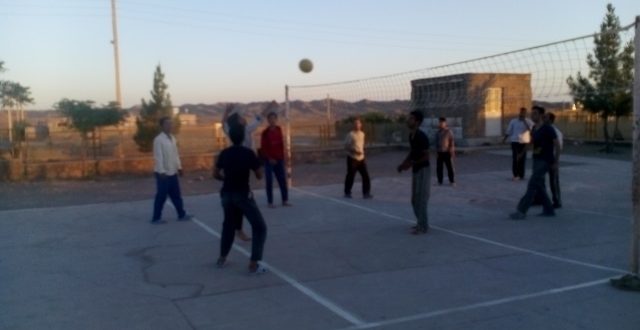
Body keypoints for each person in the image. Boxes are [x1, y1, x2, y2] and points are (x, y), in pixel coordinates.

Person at [214, 123, 268, 274]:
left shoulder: (224, 153)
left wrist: (225, 179)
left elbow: (215, 173)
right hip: (242, 195)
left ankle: (222, 259)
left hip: (226, 194)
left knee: (228, 226)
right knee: (259, 227)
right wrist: (260, 165)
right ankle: (254, 263)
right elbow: (259, 175)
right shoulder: (248, 153)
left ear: (230, 137)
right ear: (243, 137)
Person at [221, 103, 268, 241]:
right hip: (238, 165)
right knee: (240, 198)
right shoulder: (238, 130)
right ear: (237, 122)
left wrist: (269, 107)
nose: (244, 118)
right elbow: (223, 122)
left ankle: (237, 229)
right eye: (241, 118)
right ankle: (238, 229)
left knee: (237, 196)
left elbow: (259, 118)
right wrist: (226, 110)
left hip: (240, 165)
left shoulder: (243, 130)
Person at [510, 106, 560, 220]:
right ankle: (549, 209)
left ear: (541, 115)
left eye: (535, 114)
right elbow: (530, 142)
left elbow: (557, 144)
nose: (533, 116)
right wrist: (521, 154)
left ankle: (521, 211)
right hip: (536, 159)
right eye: (532, 114)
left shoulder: (547, 128)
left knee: (532, 184)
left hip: (545, 160)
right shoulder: (534, 128)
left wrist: (556, 162)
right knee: (539, 186)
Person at [151, 117, 193, 224]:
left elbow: (175, 155)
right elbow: (158, 157)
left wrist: (179, 167)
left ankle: (181, 214)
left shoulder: (173, 138)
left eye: (171, 124)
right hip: (163, 174)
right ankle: (156, 218)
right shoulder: (158, 140)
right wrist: (161, 171)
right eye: (167, 124)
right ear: (162, 126)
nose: (170, 126)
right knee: (161, 196)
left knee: (176, 195)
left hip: (173, 172)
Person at [397, 110, 431, 234]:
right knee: (414, 200)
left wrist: (411, 164)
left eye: (411, 118)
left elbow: (426, 156)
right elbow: (412, 153)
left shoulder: (422, 136)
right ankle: (420, 222)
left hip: (423, 170)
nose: (408, 120)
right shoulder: (412, 136)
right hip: (416, 170)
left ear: (417, 122)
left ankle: (423, 226)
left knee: (422, 199)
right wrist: (403, 164)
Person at [260, 111, 291, 208]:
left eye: (274, 118)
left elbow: (281, 144)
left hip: (279, 160)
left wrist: (284, 157)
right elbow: (263, 148)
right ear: (268, 120)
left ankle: (285, 200)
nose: (272, 120)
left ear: (276, 119)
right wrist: (269, 158)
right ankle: (270, 202)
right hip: (269, 161)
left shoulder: (279, 129)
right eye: (270, 119)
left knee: (282, 180)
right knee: (269, 181)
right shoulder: (265, 133)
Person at [343, 117, 372, 199]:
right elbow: (346, 146)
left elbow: (361, 145)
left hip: (361, 159)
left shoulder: (362, 134)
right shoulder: (350, 134)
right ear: (353, 125)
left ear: (361, 125)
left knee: (365, 175)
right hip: (352, 158)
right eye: (355, 124)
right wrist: (355, 151)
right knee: (351, 176)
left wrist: (362, 152)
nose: (357, 125)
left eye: (358, 123)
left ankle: (366, 193)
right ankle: (347, 192)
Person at [503, 107, 534, 181]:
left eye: (524, 113)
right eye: (521, 112)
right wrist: (504, 139)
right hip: (515, 141)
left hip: (524, 142)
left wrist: (525, 122)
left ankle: (521, 174)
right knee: (515, 158)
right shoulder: (513, 121)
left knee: (522, 159)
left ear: (525, 113)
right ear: (519, 113)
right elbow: (509, 131)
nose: (522, 114)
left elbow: (532, 131)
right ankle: (515, 174)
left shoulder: (528, 121)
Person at [545, 112, 563, 208]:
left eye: (546, 118)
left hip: (552, 159)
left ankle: (557, 201)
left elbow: (558, 148)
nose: (544, 119)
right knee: (539, 180)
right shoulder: (545, 130)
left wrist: (556, 162)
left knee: (554, 181)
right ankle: (539, 198)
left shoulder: (555, 132)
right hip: (544, 159)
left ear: (551, 120)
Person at [435, 117, 455, 186]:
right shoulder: (438, 132)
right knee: (439, 168)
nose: (440, 124)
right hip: (440, 152)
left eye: (442, 122)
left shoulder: (448, 131)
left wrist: (452, 151)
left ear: (445, 123)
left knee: (449, 167)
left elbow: (452, 141)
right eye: (439, 122)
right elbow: (436, 142)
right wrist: (437, 151)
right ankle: (440, 181)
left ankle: (452, 181)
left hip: (447, 152)